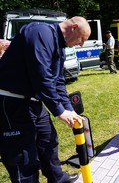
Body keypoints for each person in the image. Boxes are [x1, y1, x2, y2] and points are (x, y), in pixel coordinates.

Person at [0, 16, 91, 183]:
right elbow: (41, 77)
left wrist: (68, 109)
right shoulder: (40, 33)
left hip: (34, 102)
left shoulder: (58, 45)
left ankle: (58, 179)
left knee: (48, 140)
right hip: (12, 102)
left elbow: (58, 82)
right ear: (74, 27)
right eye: (82, 39)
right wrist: (59, 111)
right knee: (23, 156)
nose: (81, 44)